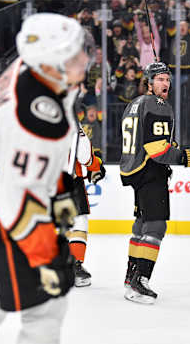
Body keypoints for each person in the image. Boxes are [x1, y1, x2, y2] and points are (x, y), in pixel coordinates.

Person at [0, 13, 93, 344]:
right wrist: (45, 254)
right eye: (74, 53)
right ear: (51, 62)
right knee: (46, 309)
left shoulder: (32, 69)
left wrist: (59, 193)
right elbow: (16, 198)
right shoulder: (38, 115)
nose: (85, 58)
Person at [120, 61, 190, 304]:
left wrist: (177, 151)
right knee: (156, 226)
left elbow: (147, 142)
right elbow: (158, 151)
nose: (166, 84)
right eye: (160, 79)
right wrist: (189, 157)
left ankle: (131, 277)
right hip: (151, 172)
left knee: (141, 224)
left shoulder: (134, 104)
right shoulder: (157, 105)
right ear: (149, 82)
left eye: (167, 79)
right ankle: (141, 280)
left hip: (135, 170)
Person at [68, 123, 106, 287]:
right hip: (68, 181)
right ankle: (75, 266)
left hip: (37, 179)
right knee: (79, 222)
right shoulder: (71, 121)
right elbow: (85, 156)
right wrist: (95, 166)